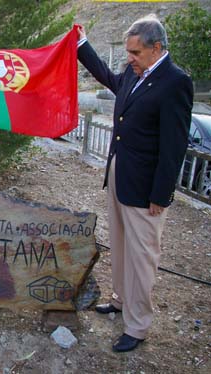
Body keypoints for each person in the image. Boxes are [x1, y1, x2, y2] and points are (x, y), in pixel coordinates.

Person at [77, 16, 193, 352]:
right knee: (120, 244)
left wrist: (161, 194)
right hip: (120, 174)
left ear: (157, 48)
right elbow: (112, 80)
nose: (129, 57)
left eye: (135, 52)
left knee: (142, 257)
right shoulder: (134, 70)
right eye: (128, 51)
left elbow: (174, 146)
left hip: (146, 189)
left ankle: (138, 325)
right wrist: (83, 46)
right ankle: (120, 299)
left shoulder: (175, 82)